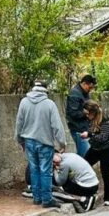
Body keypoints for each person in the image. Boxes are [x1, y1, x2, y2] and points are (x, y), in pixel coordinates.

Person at [15, 80, 67, 209]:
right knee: (45, 171)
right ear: (45, 90)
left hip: (29, 142)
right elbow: (57, 126)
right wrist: (62, 143)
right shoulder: (49, 104)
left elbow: (19, 124)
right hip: (44, 143)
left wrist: (20, 140)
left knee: (34, 170)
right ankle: (47, 200)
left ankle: (36, 198)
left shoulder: (24, 102)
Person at [83, 100, 109, 206]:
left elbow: (104, 137)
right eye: (85, 113)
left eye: (88, 113)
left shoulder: (104, 119)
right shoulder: (88, 120)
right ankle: (87, 191)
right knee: (84, 165)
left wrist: (89, 135)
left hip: (107, 149)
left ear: (93, 112)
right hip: (95, 149)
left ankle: (108, 198)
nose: (87, 115)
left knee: (105, 172)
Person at [66, 74, 96, 157]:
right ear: (84, 83)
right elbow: (73, 113)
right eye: (89, 87)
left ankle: (71, 168)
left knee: (83, 154)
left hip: (84, 128)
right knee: (85, 155)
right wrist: (85, 113)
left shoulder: (84, 93)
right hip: (78, 129)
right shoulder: (75, 94)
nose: (90, 90)